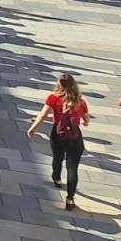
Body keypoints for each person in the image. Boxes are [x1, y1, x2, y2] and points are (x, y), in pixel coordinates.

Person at [28, 71, 89, 210]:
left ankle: (56, 178)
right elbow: (86, 121)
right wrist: (82, 121)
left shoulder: (53, 98)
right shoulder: (80, 102)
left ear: (59, 84)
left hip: (58, 134)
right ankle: (70, 199)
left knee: (57, 157)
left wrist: (33, 128)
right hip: (75, 136)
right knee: (72, 168)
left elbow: (43, 114)